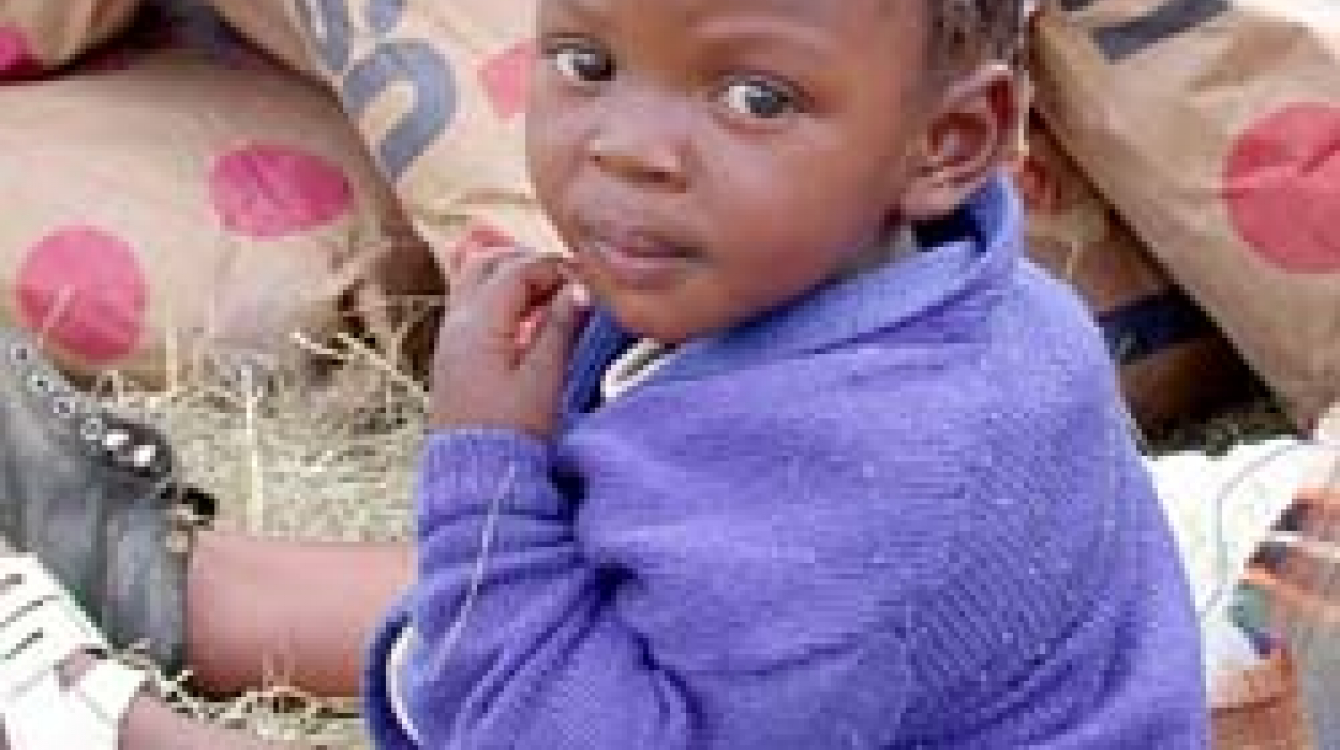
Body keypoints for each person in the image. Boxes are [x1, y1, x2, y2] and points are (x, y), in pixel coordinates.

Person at [0, 0, 1210, 746]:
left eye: (754, 96)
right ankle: (157, 588)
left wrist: (487, 468)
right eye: (583, 61)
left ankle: (111, 722)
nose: (626, 148)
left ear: (946, 140)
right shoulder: (932, 305)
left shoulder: (880, 473)